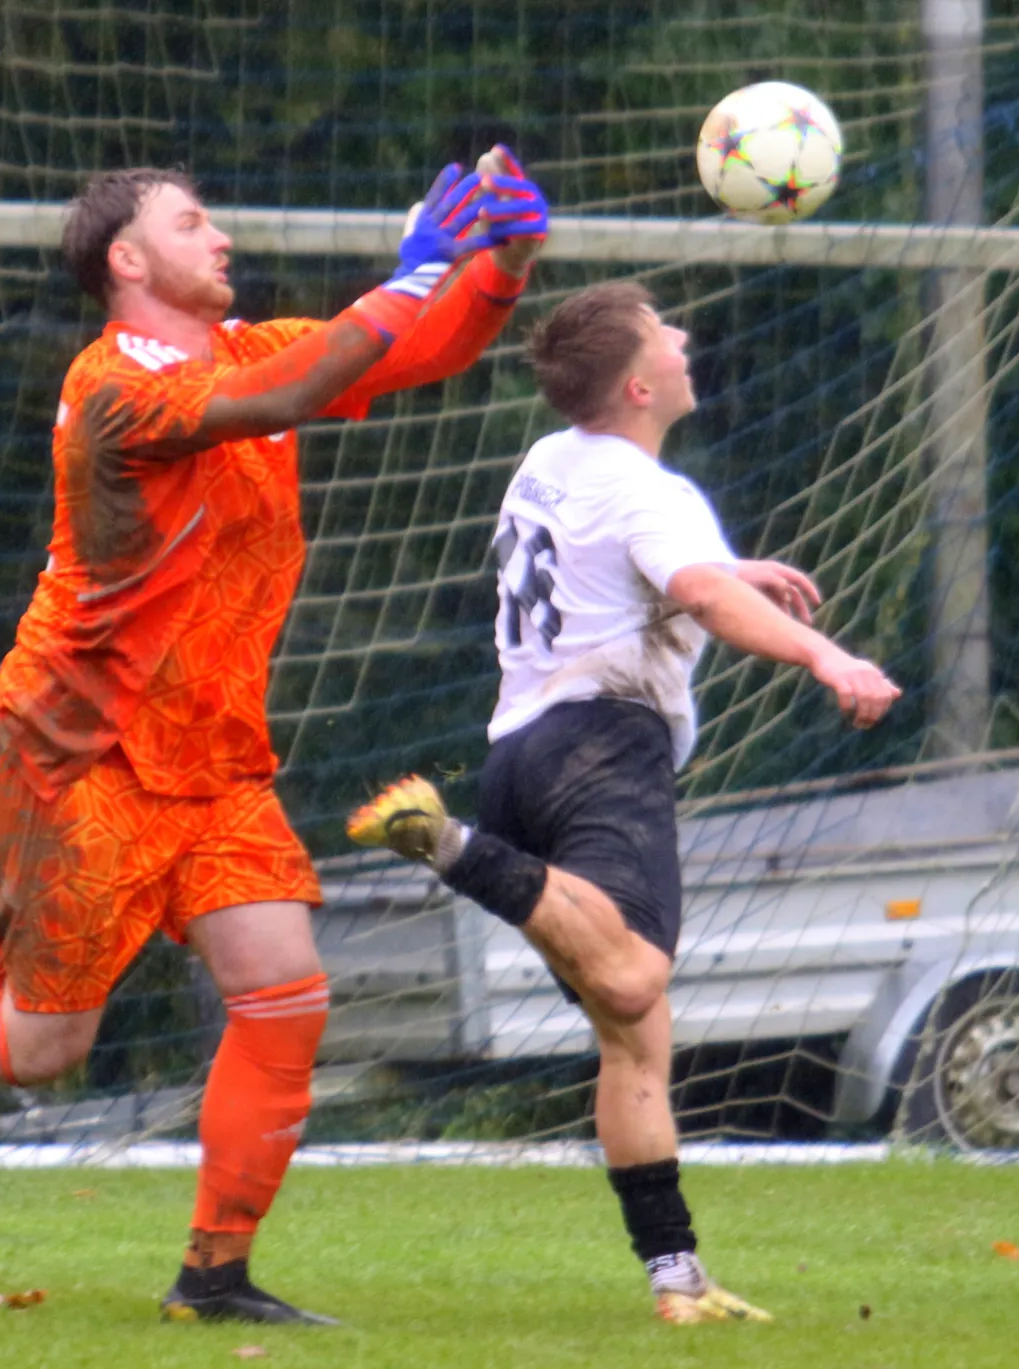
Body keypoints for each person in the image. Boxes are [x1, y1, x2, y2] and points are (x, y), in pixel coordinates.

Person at [0, 153, 550, 1325]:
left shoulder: (247, 349)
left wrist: (499, 263)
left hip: (212, 758)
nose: (220, 236)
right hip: (79, 754)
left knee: (284, 991)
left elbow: (411, 351)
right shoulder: (111, 388)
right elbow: (287, 395)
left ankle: (212, 1277)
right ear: (126, 258)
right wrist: (411, 269)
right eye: (190, 222)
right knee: (37, 1048)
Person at [348, 281, 901, 1327]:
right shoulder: (654, 493)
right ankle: (450, 845)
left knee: (632, 1033)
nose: (683, 339)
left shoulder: (550, 458)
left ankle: (674, 1276)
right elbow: (696, 592)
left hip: (518, 753)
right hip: (602, 747)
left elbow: (629, 568)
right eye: (663, 334)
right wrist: (829, 658)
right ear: (640, 385)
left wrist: (723, 566)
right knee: (638, 971)